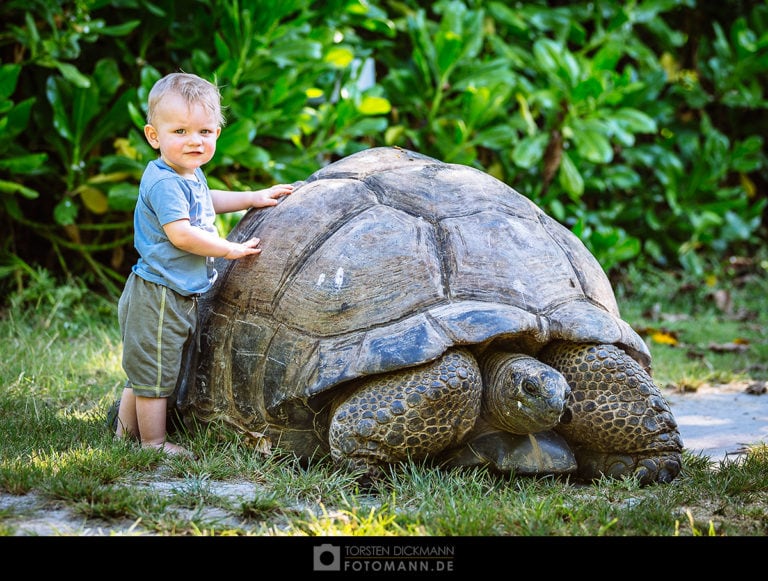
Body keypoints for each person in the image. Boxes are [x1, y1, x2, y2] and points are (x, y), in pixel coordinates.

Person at [112, 72, 294, 456]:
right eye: (180, 131)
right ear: (153, 136)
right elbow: (181, 234)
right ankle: (153, 443)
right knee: (156, 375)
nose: (194, 141)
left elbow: (207, 199)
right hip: (159, 294)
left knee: (146, 370)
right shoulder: (163, 182)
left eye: (205, 132)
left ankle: (123, 437)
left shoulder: (186, 174)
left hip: (175, 291)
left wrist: (253, 197)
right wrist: (226, 248)